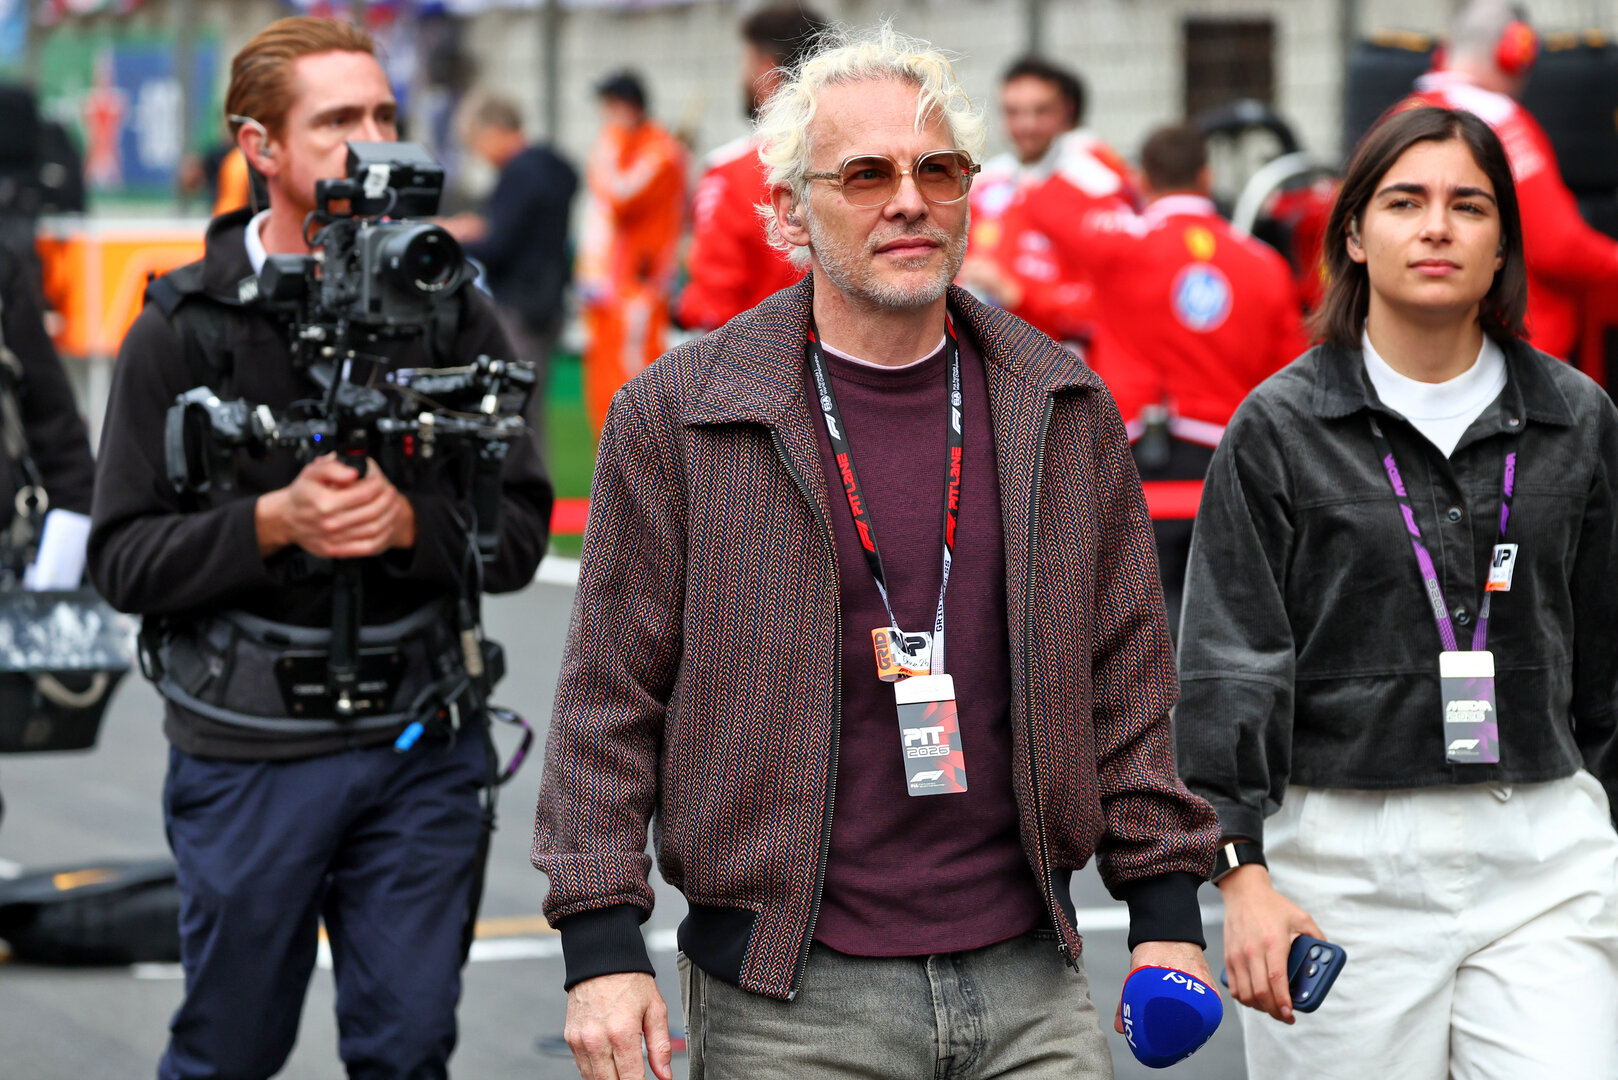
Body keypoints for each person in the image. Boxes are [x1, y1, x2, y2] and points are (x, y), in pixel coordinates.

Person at [533, 25, 1220, 1080]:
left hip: (1030, 978)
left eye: (935, 169)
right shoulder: (682, 414)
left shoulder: (1060, 405)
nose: (908, 200)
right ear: (787, 213)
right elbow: (606, 701)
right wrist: (599, 943)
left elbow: (1124, 683)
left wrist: (1166, 911)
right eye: (864, 174)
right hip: (789, 999)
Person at [86, 17, 552, 1079]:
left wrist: (410, 529)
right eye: (338, 120)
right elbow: (124, 560)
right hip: (250, 749)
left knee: (409, 1046)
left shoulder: (451, 311)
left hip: (420, 744)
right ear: (260, 146)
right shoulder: (184, 322)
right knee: (230, 1050)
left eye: (384, 114)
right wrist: (270, 524)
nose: (374, 140)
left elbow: (519, 533)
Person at [1176, 105, 1618, 1079]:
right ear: (1352, 233)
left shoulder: (1575, 416)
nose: (1434, 227)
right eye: (1404, 201)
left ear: (1501, 236)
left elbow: (1605, 663)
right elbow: (1226, 668)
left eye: (1467, 205)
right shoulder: (1279, 427)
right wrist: (1237, 872)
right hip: (1340, 865)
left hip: (1545, 852)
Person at [1082, 124, 1306, 630]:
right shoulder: (1264, 264)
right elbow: (1291, 379)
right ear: (1207, 175)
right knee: (1222, 628)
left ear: (1142, 179)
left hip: (1130, 468)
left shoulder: (1114, 249)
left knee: (1135, 640)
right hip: (1228, 469)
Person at [1407, 0, 1618, 361]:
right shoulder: (1500, 119)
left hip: (1424, 350)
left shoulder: (1400, 118)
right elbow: (1559, 247)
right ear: (1512, 51)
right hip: (1517, 355)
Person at [956, 56, 1136, 345]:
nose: (1027, 124)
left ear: (1065, 111)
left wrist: (1017, 293)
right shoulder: (987, 181)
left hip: (1066, 360)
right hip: (986, 354)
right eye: (1014, 112)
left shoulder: (1097, 185)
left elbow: (1117, 298)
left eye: (1040, 111)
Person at [442, 93, 578, 462]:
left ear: (496, 130)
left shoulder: (520, 173)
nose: (480, 153)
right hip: (549, 300)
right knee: (529, 410)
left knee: (518, 413)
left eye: (478, 141)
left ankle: (531, 503)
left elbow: (499, 245)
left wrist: (459, 238)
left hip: (521, 304)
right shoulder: (553, 165)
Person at [675, 2, 824, 333]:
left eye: (746, 61)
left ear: (765, 70)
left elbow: (713, 307)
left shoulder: (730, 174)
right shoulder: (866, 162)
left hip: (755, 369)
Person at [576, 70, 685, 431]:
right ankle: (610, 471)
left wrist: (607, 145)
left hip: (639, 285)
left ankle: (642, 469)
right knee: (603, 385)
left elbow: (619, 195)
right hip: (607, 288)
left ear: (627, 106)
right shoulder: (630, 146)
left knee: (635, 384)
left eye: (610, 106)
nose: (606, 118)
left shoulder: (660, 150)